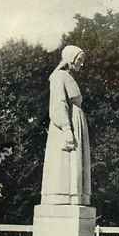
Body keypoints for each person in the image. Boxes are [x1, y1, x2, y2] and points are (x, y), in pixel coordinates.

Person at [41, 45, 91, 205]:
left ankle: (76, 197)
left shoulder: (69, 77)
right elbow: (58, 103)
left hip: (76, 122)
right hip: (67, 124)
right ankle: (62, 197)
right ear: (70, 58)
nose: (82, 64)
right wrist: (67, 129)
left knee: (75, 166)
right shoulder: (58, 76)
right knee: (65, 165)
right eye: (79, 60)